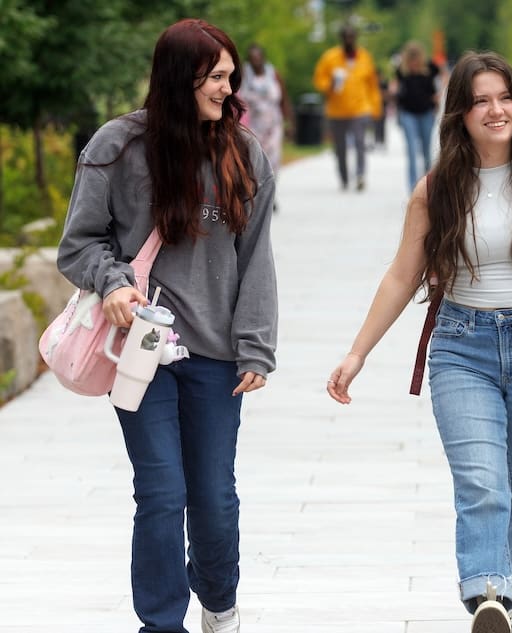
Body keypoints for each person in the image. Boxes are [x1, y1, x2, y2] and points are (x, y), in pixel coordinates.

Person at [326, 50, 512, 633]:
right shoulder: (437, 187)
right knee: (480, 480)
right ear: (461, 115)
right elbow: (402, 274)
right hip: (461, 346)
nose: (495, 111)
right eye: (480, 102)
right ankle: (489, 595)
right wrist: (357, 352)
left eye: (504, 98)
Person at [55, 18, 277, 633]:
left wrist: (256, 347)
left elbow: (255, 257)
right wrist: (114, 281)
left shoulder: (244, 153)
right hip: (138, 354)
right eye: (216, 77)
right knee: (159, 493)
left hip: (214, 356)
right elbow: (77, 245)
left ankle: (219, 599)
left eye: (231, 76)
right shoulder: (117, 147)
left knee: (212, 499)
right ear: (181, 78)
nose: (229, 90)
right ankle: (160, 623)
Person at [313, 25, 382, 191]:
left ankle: (360, 175)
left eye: (352, 37)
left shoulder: (365, 57)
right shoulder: (330, 58)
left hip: (360, 109)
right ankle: (344, 177)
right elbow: (318, 79)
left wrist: (376, 107)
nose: (349, 40)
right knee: (340, 147)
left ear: (356, 38)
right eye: (346, 37)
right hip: (337, 110)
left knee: (360, 142)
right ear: (342, 39)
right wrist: (329, 85)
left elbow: (372, 85)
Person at [238, 43, 293, 201]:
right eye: (252, 58)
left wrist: (289, 123)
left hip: (273, 125)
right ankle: (256, 195)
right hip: (252, 125)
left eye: (258, 57)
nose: (255, 61)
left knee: (273, 160)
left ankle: (270, 195)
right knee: (254, 160)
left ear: (263, 57)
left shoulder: (273, 74)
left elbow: (284, 100)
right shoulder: (244, 75)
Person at [390, 40, 443, 192]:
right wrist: (393, 91)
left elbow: (443, 76)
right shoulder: (401, 70)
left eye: (416, 59)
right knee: (412, 149)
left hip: (426, 112)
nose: (413, 63)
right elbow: (396, 84)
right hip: (408, 113)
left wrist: (439, 95)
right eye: (410, 59)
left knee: (427, 150)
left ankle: (427, 183)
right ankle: (413, 186)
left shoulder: (430, 68)